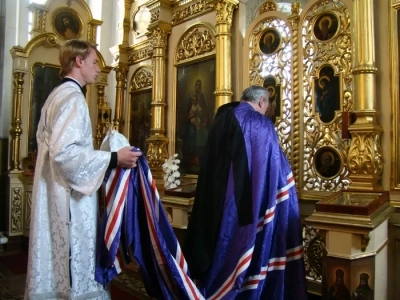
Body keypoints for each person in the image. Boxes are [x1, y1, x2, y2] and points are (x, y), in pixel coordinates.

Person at [24, 39, 142, 300]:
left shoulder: (56, 96)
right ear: (78, 61)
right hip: (69, 204)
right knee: (72, 270)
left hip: (55, 195)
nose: (99, 69)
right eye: (94, 62)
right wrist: (113, 158)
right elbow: (65, 155)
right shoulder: (73, 98)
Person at [183, 85, 307, 299]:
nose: (266, 111)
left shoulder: (222, 116)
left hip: (213, 203)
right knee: (241, 259)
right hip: (244, 209)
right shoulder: (258, 124)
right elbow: (271, 168)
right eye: (267, 106)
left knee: (217, 258)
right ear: (261, 102)